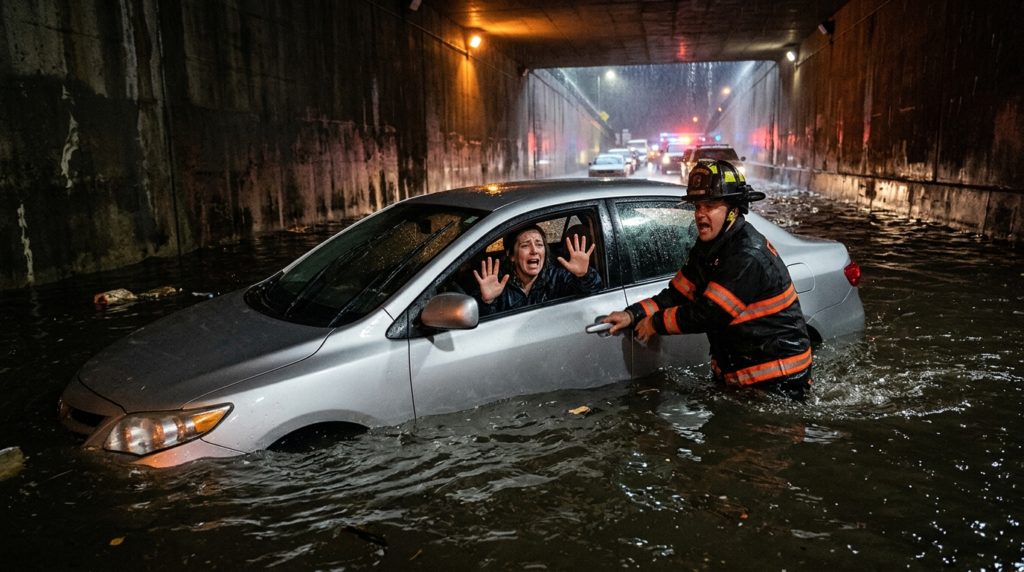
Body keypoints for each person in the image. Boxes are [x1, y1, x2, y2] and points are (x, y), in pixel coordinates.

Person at [602, 159, 813, 400]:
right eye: (697, 206)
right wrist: (633, 314)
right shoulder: (709, 248)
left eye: (710, 206)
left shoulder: (747, 254)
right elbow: (677, 294)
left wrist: (655, 323)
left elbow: (710, 313)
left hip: (779, 381)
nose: (700, 214)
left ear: (733, 210)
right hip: (743, 377)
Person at [473, 224, 601, 315]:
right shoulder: (497, 285)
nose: (534, 250)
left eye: (539, 245)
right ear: (511, 255)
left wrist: (584, 275)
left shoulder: (557, 277)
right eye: (525, 245)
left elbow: (595, 294)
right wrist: (486, 302)